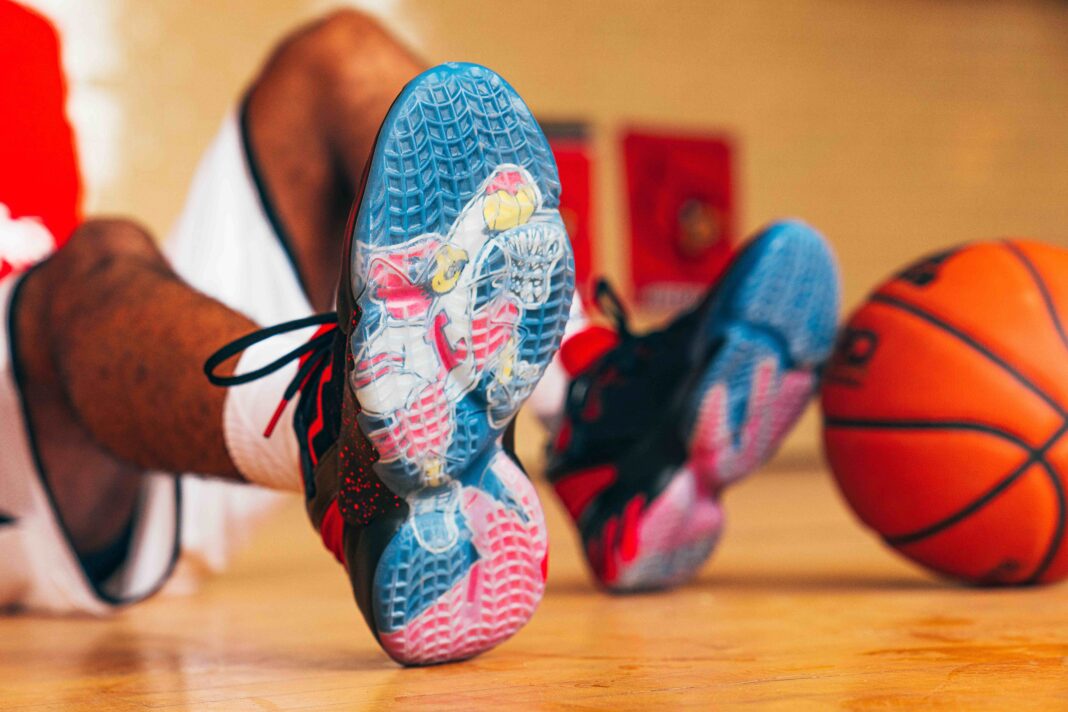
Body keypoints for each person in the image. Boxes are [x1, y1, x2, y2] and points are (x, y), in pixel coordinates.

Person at [0, 6, 839, 666]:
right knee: (93, 260)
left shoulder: (18, 37)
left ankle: (597, 414)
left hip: (120, 396)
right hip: (32, 453)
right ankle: (350, 451)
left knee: (337, 54)